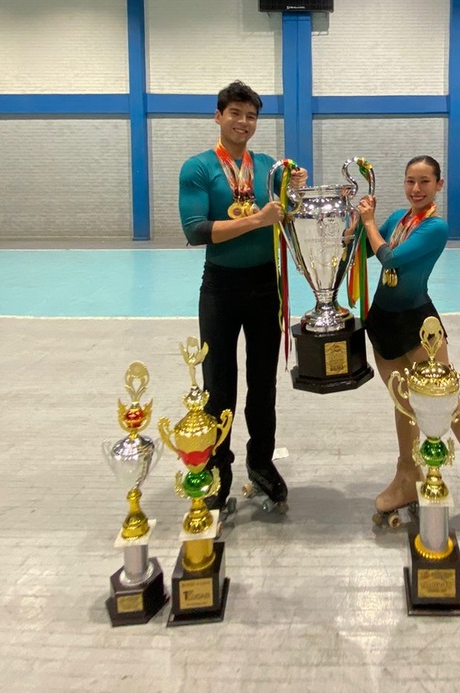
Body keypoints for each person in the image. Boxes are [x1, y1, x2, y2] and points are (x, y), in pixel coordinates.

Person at [356, 155, 460, 534]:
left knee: (447, 402)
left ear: (439, 185)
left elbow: (390, 257)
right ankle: (407, 475)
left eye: (424, 181)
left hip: (419, 325)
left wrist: (370, 224)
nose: (416, 189)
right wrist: (354, 220)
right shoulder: (398, 218)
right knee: (403, 403)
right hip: (383, 321)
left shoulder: (436, 227)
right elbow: (362, 246)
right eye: (410, 181)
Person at [178, 80, 307, 514]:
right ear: (219, 116)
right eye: (235, 113)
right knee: (219, 385)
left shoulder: (268, 166)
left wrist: (295, 188)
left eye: (251, 116)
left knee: (263, 382)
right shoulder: (198, 168)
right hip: (221, 288)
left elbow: (289, 211)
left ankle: (261, 462)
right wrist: (257, 219)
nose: (243, 122)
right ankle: (218, 469)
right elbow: (196, 230)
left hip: (265, 286)